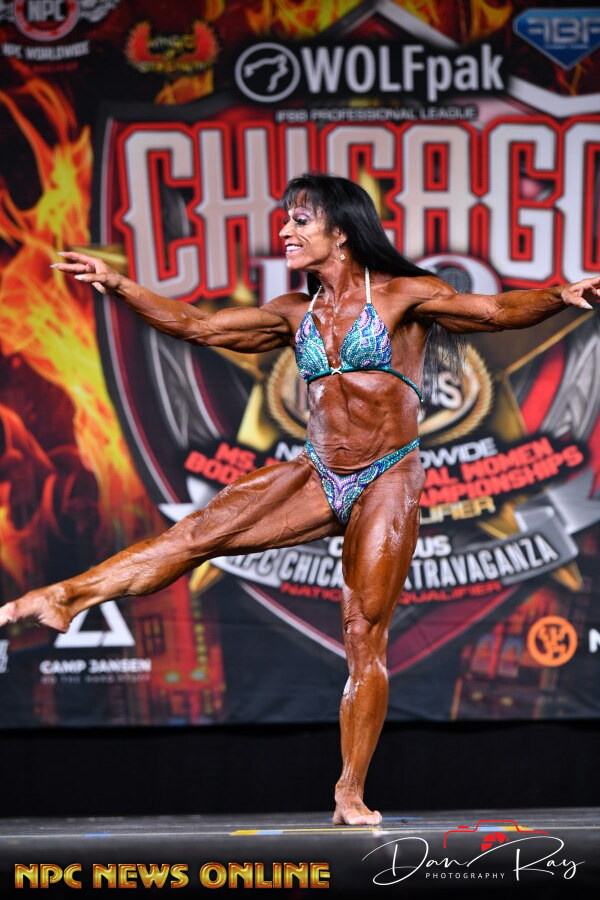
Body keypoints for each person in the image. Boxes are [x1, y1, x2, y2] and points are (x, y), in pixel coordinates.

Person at [0, 173, 598, 825]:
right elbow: (200, 326)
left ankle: (349, 790)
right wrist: (120, 286)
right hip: (317, 471)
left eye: (300, 220)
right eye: (285, 220)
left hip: (387, 476)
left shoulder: (403, 295)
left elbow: (494, 312)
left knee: (362, 632)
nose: (285, 231)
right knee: (194, 536)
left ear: (340, 232)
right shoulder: (295, 312)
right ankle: (64, 599)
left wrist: (559, 296)